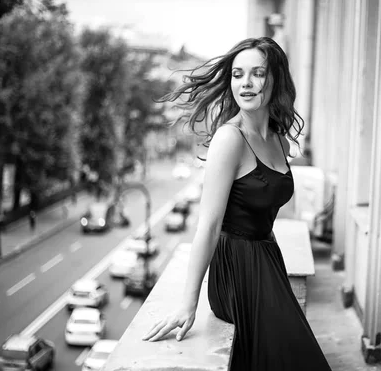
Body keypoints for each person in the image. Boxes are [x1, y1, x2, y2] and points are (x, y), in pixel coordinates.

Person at [142, 37, 332, 370]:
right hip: (234, 269)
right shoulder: (230, 139)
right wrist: (189, 303)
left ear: (275, 79)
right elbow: (209, 225)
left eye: (257, 73)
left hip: (267, 258)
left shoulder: (278, 138)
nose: (245, 83)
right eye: (237, 74)